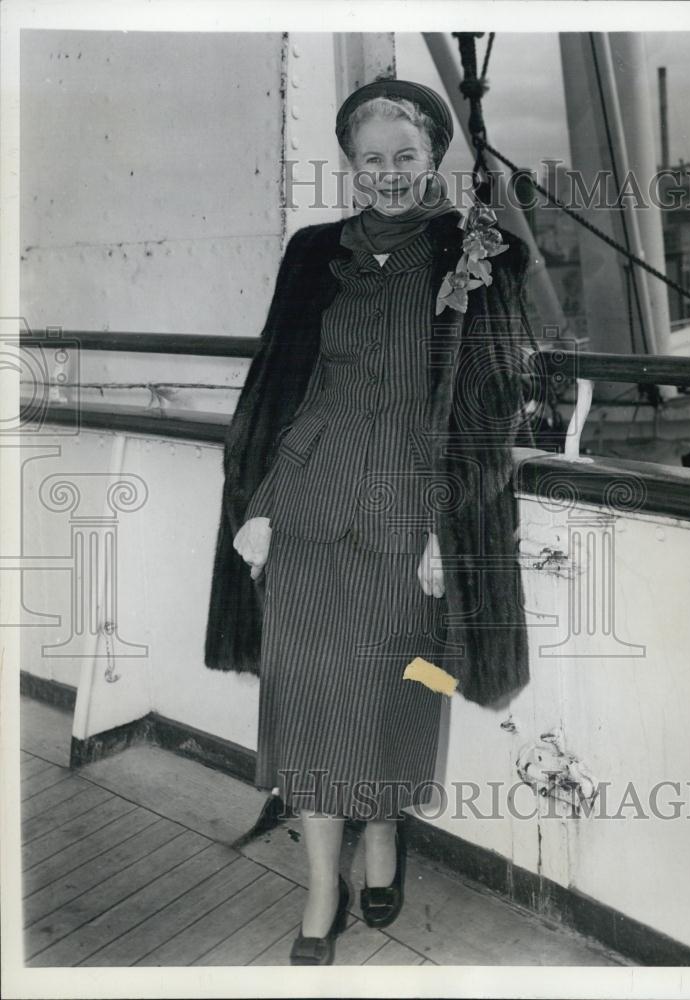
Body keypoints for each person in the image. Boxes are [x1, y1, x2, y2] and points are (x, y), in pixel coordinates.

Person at [204, 79, 531, 966]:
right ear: (349, 166)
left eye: (406, 157)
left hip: (411, 514)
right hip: (306, 511)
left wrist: (444, 527)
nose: (388, 174)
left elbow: (497, 407)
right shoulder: (313, 253)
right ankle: (322, 890)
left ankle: (381, 841)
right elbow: (283, 391)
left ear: (435, 159)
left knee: (393, 691)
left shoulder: (479, 253)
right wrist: (259, 507)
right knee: (306, 702)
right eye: (370, 160)